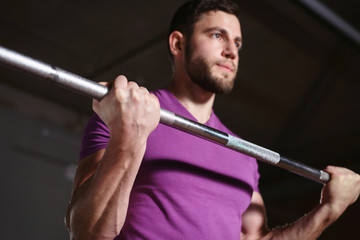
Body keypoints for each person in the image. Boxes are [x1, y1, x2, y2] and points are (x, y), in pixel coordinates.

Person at [65, 0, 360, 239]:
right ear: (178, 44)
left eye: (238, 43)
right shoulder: (125, 115)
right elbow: (87, 232)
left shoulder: (245, 155)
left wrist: (329, 210)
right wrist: (129, 136)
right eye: (217, 35)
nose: (232, 51)